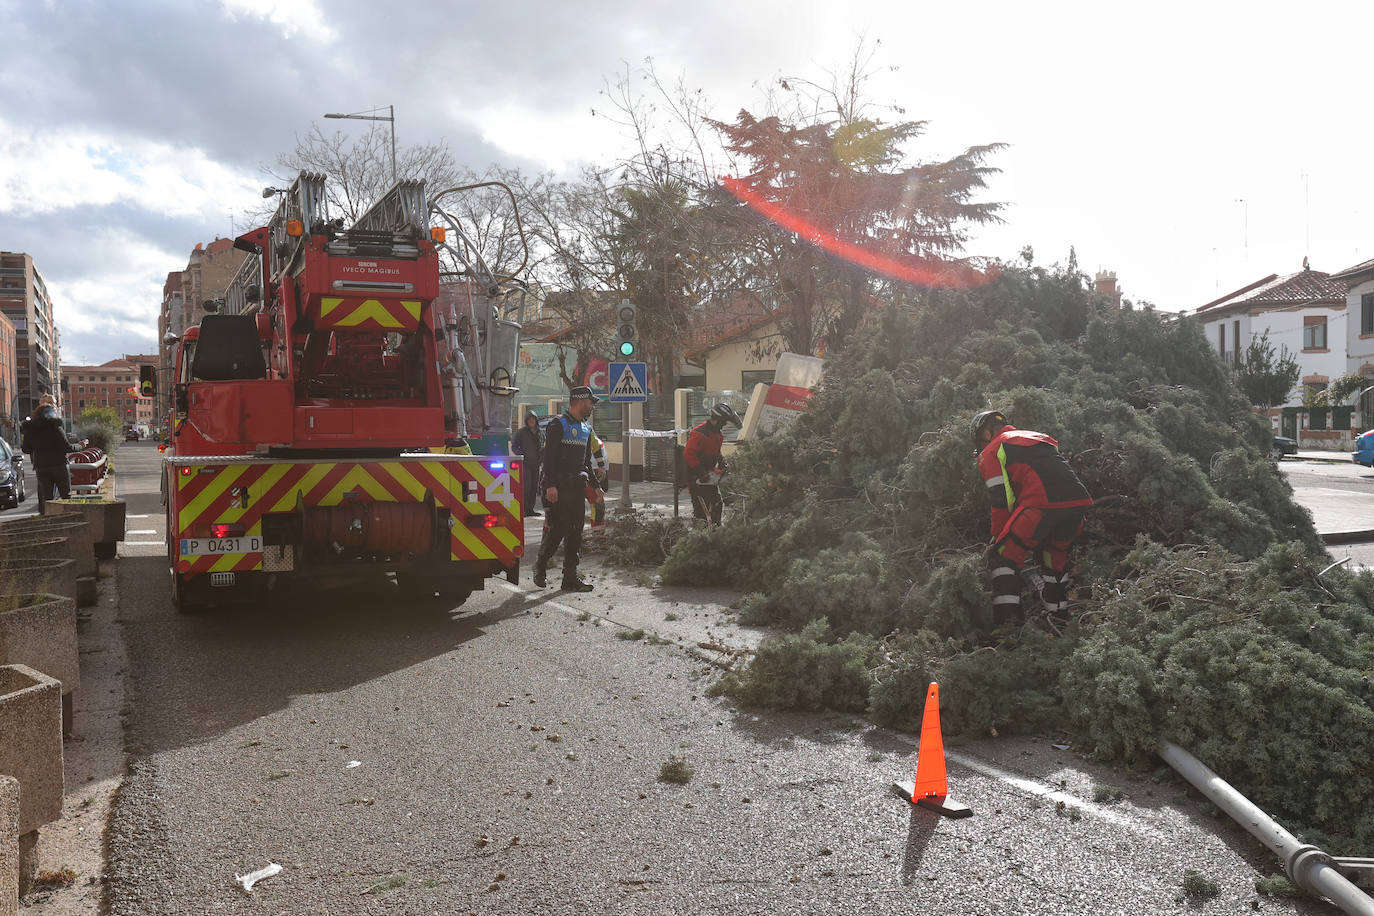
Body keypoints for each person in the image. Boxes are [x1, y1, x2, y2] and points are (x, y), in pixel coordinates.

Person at [972, 409, 1092, 628]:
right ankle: (1059, 617)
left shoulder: (993, 449)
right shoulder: (1037, 437)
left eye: (980, 440)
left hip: (1041, 503)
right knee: (1053, 555)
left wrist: (997, 536)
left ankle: (1009, 627)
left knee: (1002, 557)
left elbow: (1002, 499)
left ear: (987, 434)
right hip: (1077, 503)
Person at [533, 387, 600, 591]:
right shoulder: (558, 425)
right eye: (590, 402)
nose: (592, 406)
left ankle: (570, 578)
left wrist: (596, 487)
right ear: (580, 401)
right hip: (559, 488)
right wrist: (550, 485)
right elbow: (548, 458)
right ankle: (541, 565)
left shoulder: (586, 428)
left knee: (576, 532)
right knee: (559, 529)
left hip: (577, 489)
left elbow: (587, 461)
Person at [21, 396, 81, 514]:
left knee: (46, 499)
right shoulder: (55, 427)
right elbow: (66, 447)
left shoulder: (30, 429)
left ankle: (46, 520)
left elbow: (26, 449)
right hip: (59, 465)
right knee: (66, 496)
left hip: (41, 467)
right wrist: (80, 446)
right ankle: (68, 518)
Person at [683, 402, 742, 525]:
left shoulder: (717, 435)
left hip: (709, 477)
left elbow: (716, 452)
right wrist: (701, 473)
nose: (725, 424)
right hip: (697, 478)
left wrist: (722, 461)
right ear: (718, 419)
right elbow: (688, 454)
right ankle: (700, 536)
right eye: (724, 421)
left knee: (717, 504)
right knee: (701, 513)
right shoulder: (699, 433)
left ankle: (715, 532)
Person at [511, 411, 543, 518]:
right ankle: (524, 509)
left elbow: (544, 446)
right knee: (527, 487)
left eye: (533, 419)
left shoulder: (540, 432)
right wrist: (522, 455)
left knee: (534, 487)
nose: (531, 421)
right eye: (529, 419)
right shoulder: (522, 432)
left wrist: (542, 458)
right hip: (526, 464)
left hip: (536, 464)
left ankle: (530, 509)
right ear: (526, 421)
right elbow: (514, 446)